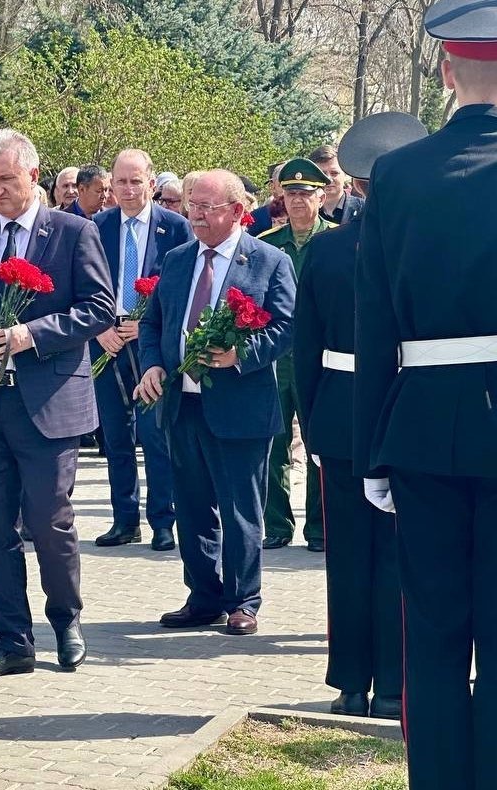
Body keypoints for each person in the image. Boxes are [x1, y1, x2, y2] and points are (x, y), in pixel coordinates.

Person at [353, 4, 497, 783]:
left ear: (446, 73)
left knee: (435, 635)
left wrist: (375, 446)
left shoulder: (399, 174)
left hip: (423, 429)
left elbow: (374, 323)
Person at [0, 129, 114, 678]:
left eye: (6, 180)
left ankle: (65, 619)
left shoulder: (73, 231)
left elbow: (99, 309)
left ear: (33, 177)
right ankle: (12, 639)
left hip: (49, 403)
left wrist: (32, 334)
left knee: (49, 521)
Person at [296, 112, 423, 722]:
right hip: (409, 410)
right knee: (401, 554)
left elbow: (304, 352)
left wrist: (311, 420)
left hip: (341, 415)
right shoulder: (425, 242)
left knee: (347, 556)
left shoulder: (325, 249)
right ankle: (396, 685)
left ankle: (350, 681)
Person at [134, 169, 295, 638]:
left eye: (207, 207)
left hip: (241, 406)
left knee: (241, 507)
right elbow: (152, 324)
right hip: (182, 403)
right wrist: (152, 365)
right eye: (191, 204)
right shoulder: (179, 258)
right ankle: (203, 595)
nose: (196, 215)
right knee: (193, 505)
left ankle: (242, 600)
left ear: (237, 211)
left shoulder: (268, 260)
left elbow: (286, 327)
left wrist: (239, 354)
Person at [89, 150, 192, 552]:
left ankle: (163, 521)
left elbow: (184, 289)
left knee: (155, 434)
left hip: (152, 344)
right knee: (115, 436)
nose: (129, 190)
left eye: (136, 181)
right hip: (107, 340)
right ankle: (124, 519)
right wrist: (99, 329)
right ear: (110, 186)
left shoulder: (177, 228)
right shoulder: (96, 227)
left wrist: (147, 324)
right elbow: (83, 286)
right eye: (121, 182)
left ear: (151, 183)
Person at [257, 158, 334, 551]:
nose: (298, 201)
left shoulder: (336, 240)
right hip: (277, 359)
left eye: (306, 194)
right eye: (291, 194)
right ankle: (277, 526)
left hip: (322, 359)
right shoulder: (268, 244)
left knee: (320, 443)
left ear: (322, 197)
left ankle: (320, 529)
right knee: (274, 444)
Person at [310, 145, 364, 225]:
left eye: (334, 173)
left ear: (345, 174)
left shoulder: (364, 209)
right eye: (322, 173)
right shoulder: (305, 211)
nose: (328, 179)